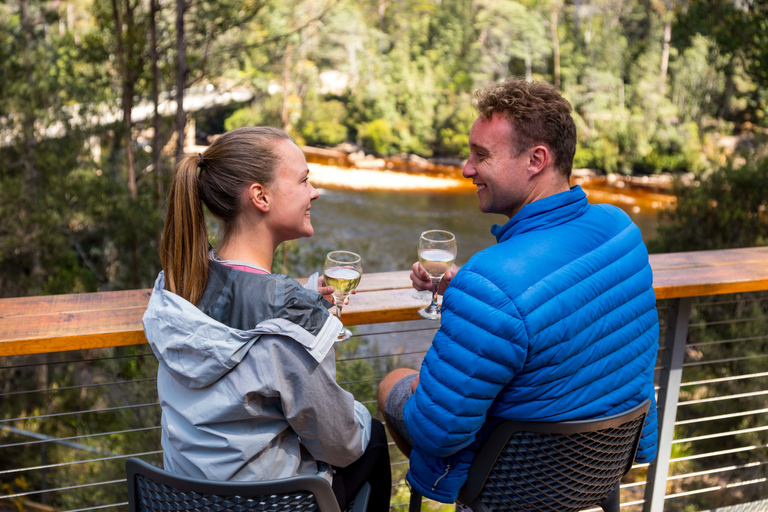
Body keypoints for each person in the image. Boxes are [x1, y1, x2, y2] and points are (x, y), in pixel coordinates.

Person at [377, 78, 659, 504]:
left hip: (511, 488)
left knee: (395, 383)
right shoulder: (620, 230)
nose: (467, 169)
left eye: (481, 156)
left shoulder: (493, 282)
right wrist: (469, 291)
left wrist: (480, 293)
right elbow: (563, 302)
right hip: (599, 470)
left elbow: (437, 431)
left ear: (536, 159)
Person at [142, 126, 391, 512]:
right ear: (260, 196)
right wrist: (357, 411)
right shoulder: (291, 318)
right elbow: (340, 443)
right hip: (270, 505)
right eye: (304, 180)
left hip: (183, 499)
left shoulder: (177, 284)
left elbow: (239, 304)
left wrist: (302, 294)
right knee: (370, 437)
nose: (315, 192)